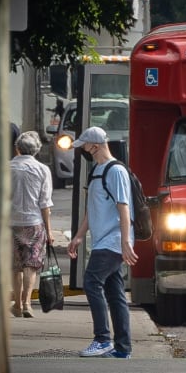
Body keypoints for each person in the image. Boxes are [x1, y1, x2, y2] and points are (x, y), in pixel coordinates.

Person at [67, 126, 139, 359]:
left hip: (114, 239)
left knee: (91, 281)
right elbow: (92, 209)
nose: (82, 150)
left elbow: (124, 207)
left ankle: (102, 339)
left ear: (95, 146)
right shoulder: (96, 170)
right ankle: (122, 348)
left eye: (84, 146)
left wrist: (126, 242)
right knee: (114, 292)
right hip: (103, 240)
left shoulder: (115, 171)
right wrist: (79, 236)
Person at [10, 131, 54, 318]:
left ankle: (17, 305)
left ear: (17, 148)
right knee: (31, 264)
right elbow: (45, 204)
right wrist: (49, 231)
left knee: (14, 265)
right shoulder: (43, 170)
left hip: (9, 223)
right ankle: (28, 303)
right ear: (36, 150)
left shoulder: (7, 167)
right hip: (33, 223)